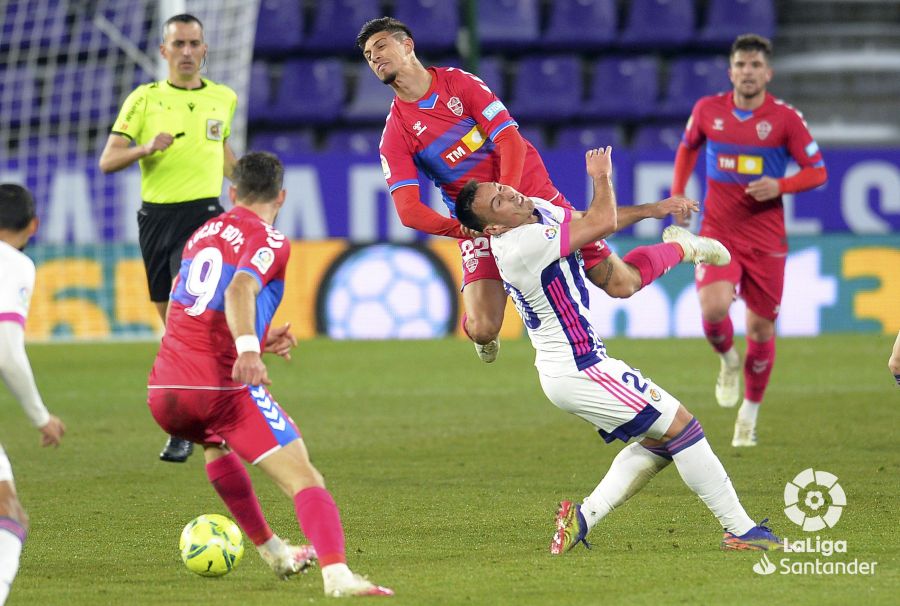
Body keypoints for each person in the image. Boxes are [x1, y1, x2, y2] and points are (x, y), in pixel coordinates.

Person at [454, 148, 781, 555]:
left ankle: (583, 517)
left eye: (502, 188)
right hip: (578, 369)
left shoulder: (533, 212)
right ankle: (740, 529)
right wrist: (601, 176)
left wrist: (651, 209)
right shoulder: (522, 244)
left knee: (663, 442)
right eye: (498, 202)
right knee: (685, 429)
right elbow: (599, 221)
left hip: (580, 364)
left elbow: (590, 222)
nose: (511, 195)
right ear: (490, 229)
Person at [357, 17, 715, 364]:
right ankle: (482, 336)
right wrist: (465, 228)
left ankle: (681, 246)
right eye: (368, 56)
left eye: (381, 46)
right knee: (482, 328)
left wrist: (509, 201)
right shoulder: (396, 134)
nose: (375, 58)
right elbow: (408, 210)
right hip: (482, 223)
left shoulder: (459, 84)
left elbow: (509, 139)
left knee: (621, 284)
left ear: (407, 46)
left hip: (531, 199)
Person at [146, 152, 392, 597]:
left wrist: (256, 340)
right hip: (219, 387)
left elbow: (195, 311)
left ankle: (275, 551)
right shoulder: (269, 238)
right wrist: (247, 352)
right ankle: (337, 576)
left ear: (232, 192)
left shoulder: (201, 233)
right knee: (305, 478)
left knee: (213, 440)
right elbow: (241, 287)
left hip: (164, 387)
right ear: (281, 196)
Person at [670, 34, 828, 447]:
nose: (748, 72)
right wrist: (678, 192)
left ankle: (749, 416)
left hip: (766, 239)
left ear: (767, 73)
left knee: (760, 330)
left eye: (755, 65)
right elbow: (687, 148)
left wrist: (781, 184)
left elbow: (817, 171)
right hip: (719, 232)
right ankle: (727, 361)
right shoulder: (708, 110)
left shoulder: (786, 119)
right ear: (731, 71)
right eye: (741, 65)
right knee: (713, 307)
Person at [99, 13, 239, 463]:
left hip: (205, 217)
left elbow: (222, 150)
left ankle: (205, 422)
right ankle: (184, 419)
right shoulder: (143, 100)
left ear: (204, 49)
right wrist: (145, 148)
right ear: (163, 51)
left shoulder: (223, 97)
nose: (185, 52)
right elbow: (108, 159)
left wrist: (248, 188)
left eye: (193, 43)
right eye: (177, 44)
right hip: (155, 220)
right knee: (171, 331)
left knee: (186, 317)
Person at [0, 184, 67, 605]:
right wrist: (41, 416)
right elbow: (6, 349)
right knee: (9, 514)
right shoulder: (14, 264)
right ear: (33, 226)